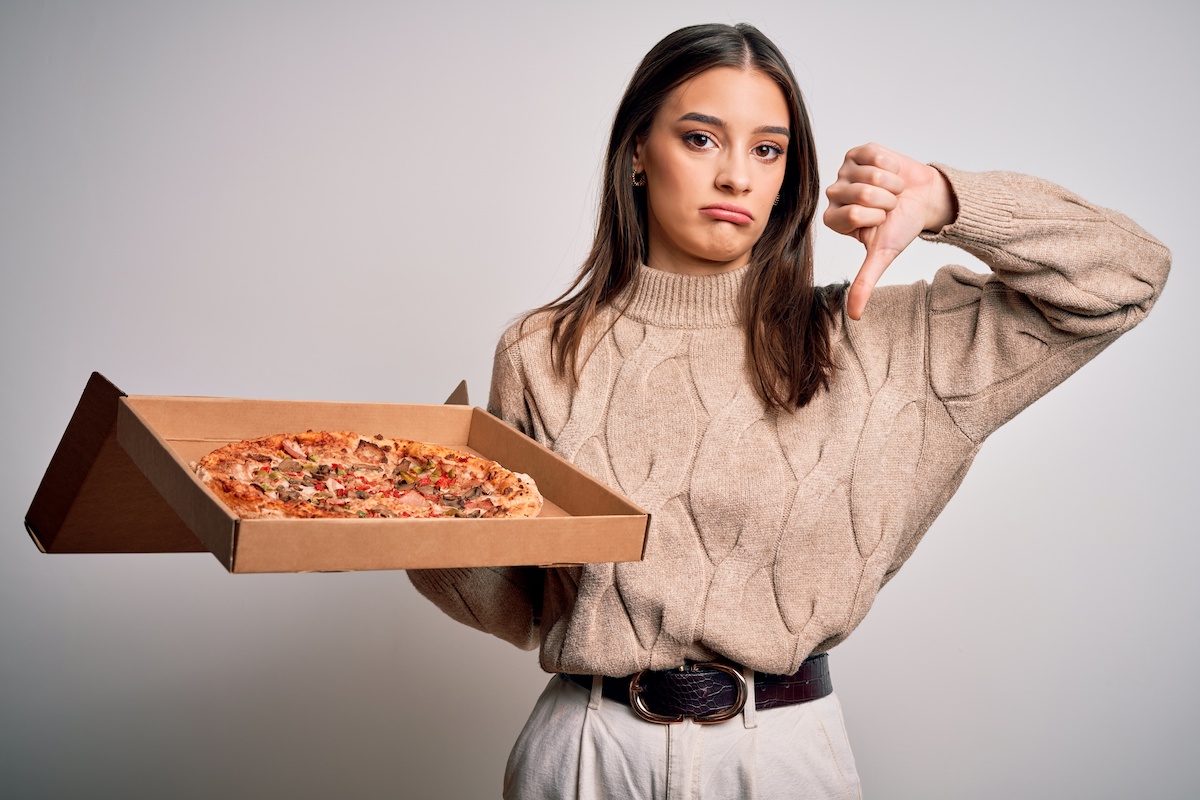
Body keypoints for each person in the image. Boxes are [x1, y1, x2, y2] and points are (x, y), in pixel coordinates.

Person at [409, 22, 1170, 799]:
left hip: (780, 757)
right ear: (637, 153)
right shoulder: (543, 349)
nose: (737, 176)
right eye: (702, 138)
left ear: (788, 175)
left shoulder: (878, 342)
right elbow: (521, 606)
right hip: (587, 753)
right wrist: (415, 513)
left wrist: (948, 199)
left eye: (767, 150)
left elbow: (1131, 275)